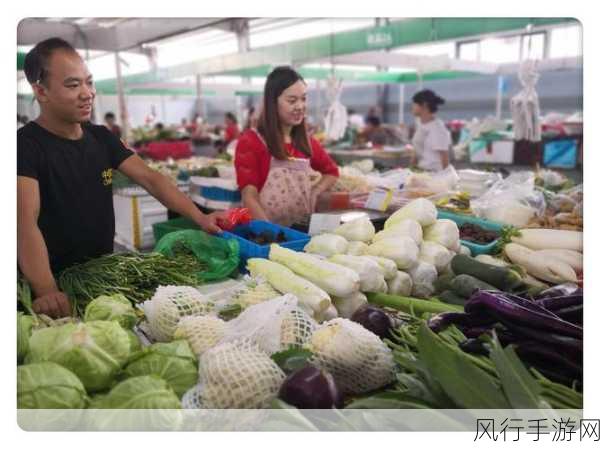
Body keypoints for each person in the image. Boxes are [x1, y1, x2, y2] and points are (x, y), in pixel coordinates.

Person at [17, 38, 228, 319]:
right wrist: (46, 290)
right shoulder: (25, 146)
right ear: (41, 91)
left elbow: (152, 179)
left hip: (100, 275)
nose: (87, 93)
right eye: (72, 85)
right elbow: (23, 221)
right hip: (54, 285)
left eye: (89, 82)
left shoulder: (101, 138)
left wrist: (200, 217)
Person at [234, 66, 339, 226]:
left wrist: (315, 191)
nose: (300, 106)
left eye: (303, 99)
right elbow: (249, 196)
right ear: (272, 102)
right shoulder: (252, 141)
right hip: (267, 234)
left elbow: (331, 172)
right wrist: (272, 233)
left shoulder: (307, 142)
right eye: (292, 100)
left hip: (302, 233)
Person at [409, 89, 451, 171]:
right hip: (421, 171)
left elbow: (444, 157)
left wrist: (445, 178)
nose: (412, 107)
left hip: (434, 174)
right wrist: (410, 169)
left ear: (424, 105)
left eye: (415, 104)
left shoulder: (438, 128)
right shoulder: (420, 123)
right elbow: (416, 149)